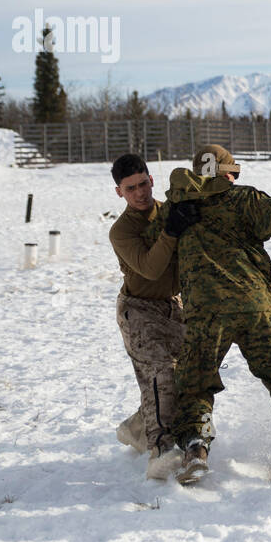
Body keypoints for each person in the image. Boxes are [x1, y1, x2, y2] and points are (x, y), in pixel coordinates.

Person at [164, 144, 271, 484]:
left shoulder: (179, 207)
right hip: (255, 307)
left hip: (205, 312)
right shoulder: (245, 200)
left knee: (196, 387)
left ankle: (195, 448)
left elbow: (157, 239)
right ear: (228, 174)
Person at [108, 153, 185, 480]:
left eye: (144, 184)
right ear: (119, 193)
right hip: (138, 310)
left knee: (184, 379)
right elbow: (151, 269)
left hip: (175, 306)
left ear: (152, 180)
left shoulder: (171, 211)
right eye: (131, 188)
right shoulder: (121, 231)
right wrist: (172, 231)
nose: (140, 193)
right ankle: (161, 450)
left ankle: (136, 427)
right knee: (160, 377)